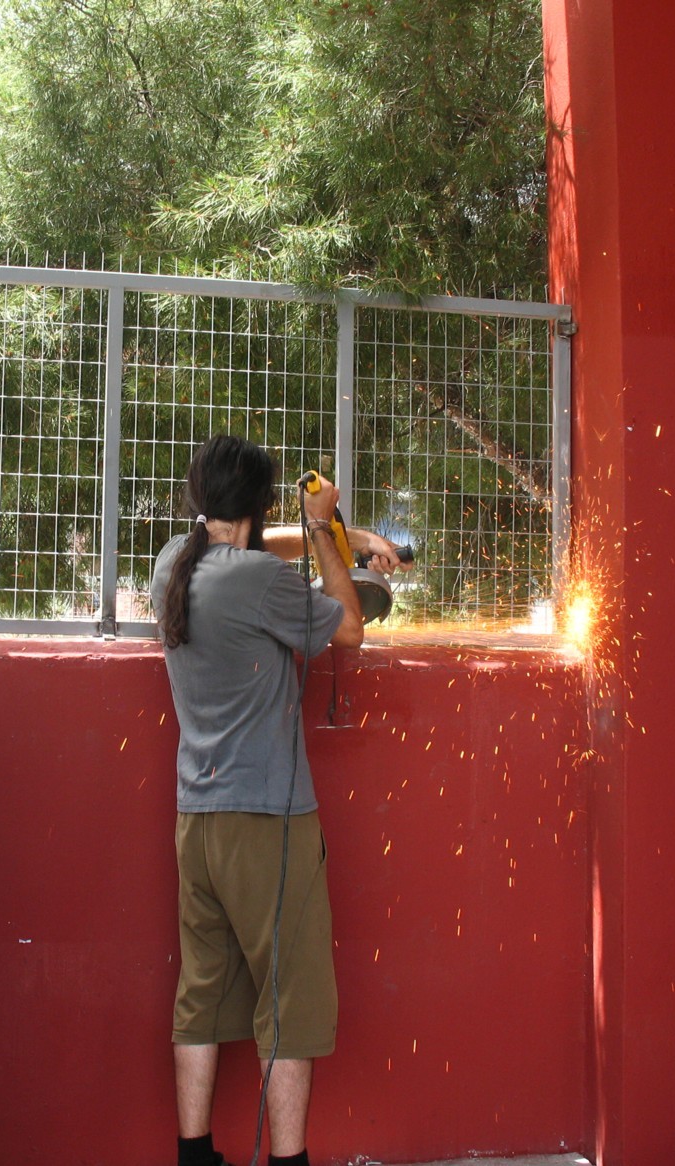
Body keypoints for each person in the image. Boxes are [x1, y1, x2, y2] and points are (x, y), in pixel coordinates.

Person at [150, 435, 407, 1166]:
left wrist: (343, 533)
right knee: (290, 1003)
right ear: (261, 506)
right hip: (266, 820)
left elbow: (247, 544)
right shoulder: (258, 579)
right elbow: (349, 626)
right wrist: (328, 531)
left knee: (201, 992)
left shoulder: (176, 560)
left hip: (195, 819)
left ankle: (193, 1155)